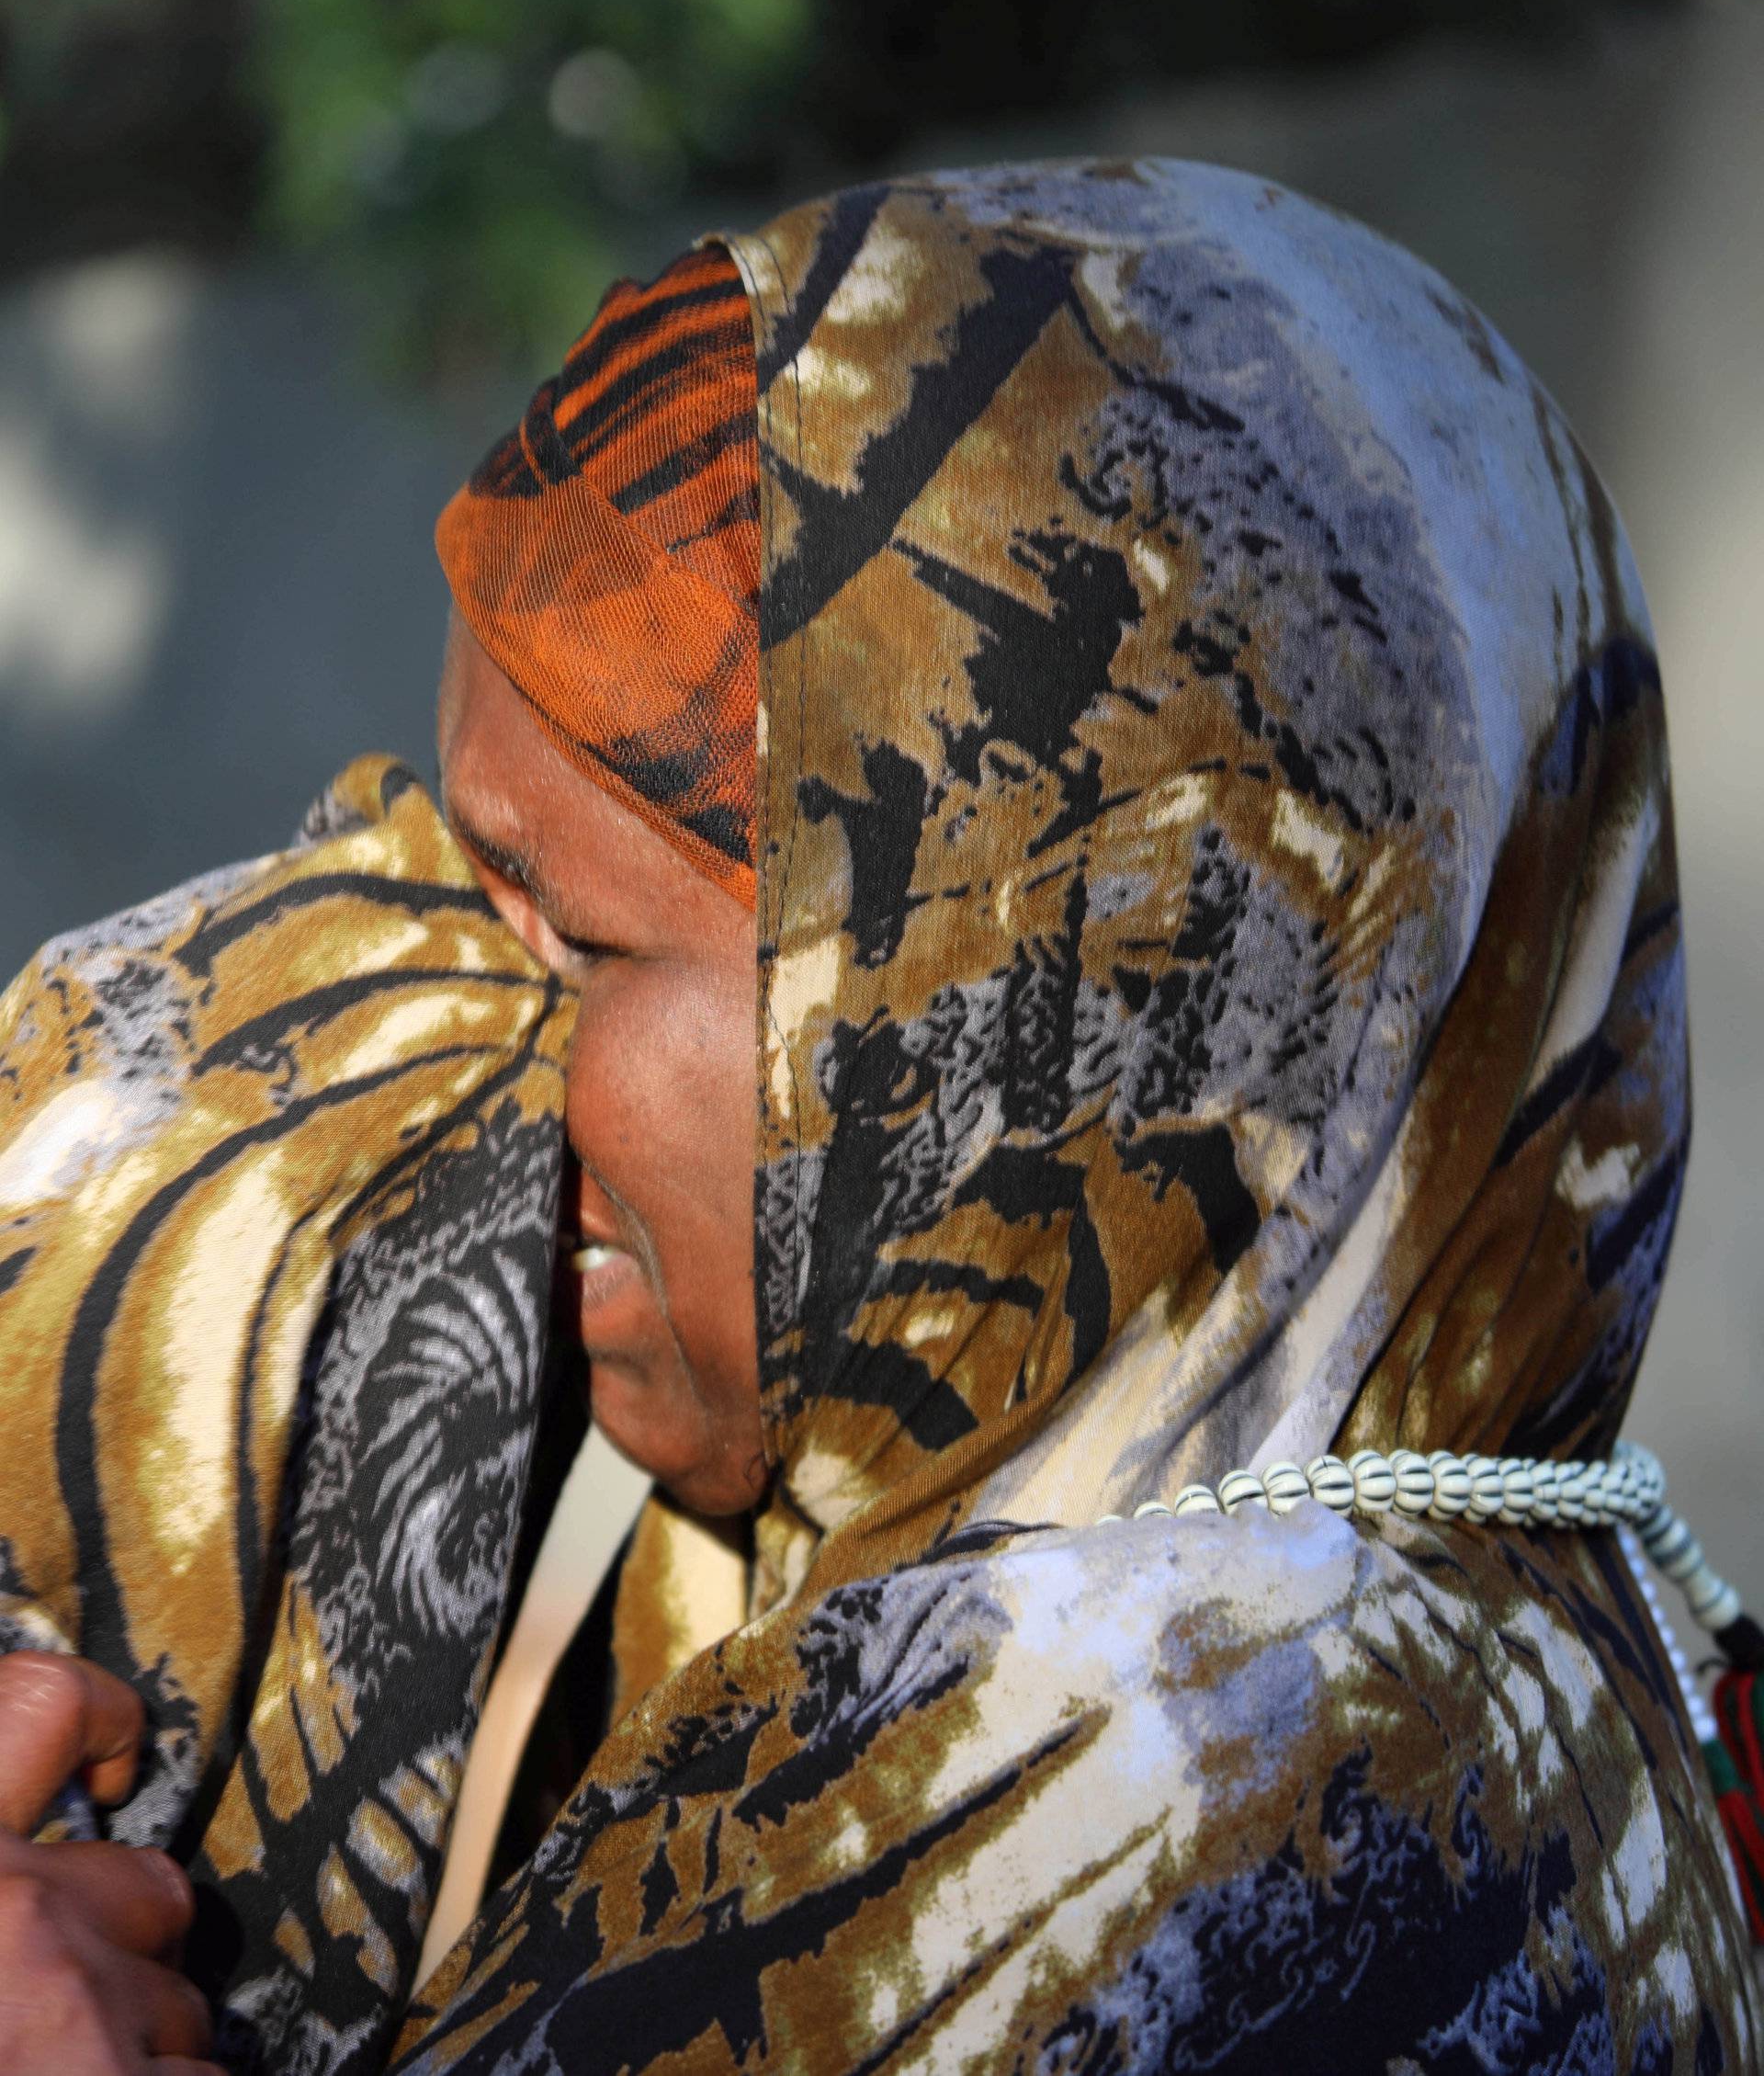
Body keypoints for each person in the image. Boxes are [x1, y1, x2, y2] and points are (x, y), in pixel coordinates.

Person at [0, 160, 1757, 2073]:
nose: (472, 1029)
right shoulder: (1460, 1652)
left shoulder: (1143, 1822)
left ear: (1067, 1013)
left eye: (580, 941)